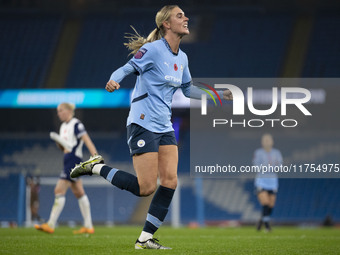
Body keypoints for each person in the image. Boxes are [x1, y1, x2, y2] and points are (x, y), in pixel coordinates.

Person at [71, 5, 232, 249]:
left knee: (170, 181)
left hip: (164, 126)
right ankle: (96, 168)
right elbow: (127, 68)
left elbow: (188, 90)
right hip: (142, 122)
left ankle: (145, 238)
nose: (186, 18)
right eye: (180, 15)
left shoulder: (183, 58)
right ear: (166, 24)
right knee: (145, 187)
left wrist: (217, 95)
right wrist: (115, 79)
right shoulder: (153, 50)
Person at [35, 102, 98, 234]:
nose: (59, 114)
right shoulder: (63, 126)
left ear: (69, 111)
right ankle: (88, 226)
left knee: (59, 190)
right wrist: (59, 141)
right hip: (67, 159)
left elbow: (86, 140)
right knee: (79, 192)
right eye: (58, 111)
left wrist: (96, 157)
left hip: (74, 160)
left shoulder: (76, 124)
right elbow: (64, 147)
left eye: (61, 110)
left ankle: (51, 224)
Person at [253, 133, 282, 232]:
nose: (267, 142)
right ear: (262, 142)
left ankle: (262, 220)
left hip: (272, 182)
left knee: (271, 205)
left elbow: (280, 165)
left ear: (272, 142)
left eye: (268, 140)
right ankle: (267, 226)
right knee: (265, 202)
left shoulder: (276, 153)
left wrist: (275, 166)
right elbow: (256, 165)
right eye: (265, 140)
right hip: (262, 181)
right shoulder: (258, 153)